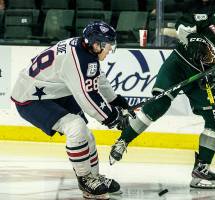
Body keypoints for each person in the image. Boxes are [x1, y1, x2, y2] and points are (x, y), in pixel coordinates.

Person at [109, 8, 215, 189]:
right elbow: (185, 19)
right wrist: (191, 39)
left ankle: (201, 169)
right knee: (158, 105)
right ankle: (123, 141)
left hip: (200, 80)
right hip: (178, 64)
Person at [11, 21, 131, 199]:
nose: (110, 49)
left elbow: (97, 77)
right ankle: (85, 180)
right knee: (76, 128)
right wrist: (112, 117)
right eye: (108, 45)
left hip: (51, 91)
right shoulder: (77, 59)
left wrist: (115, 100)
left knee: (84, 133)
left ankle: (94, 178)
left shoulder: (85, 50)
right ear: (96, 44)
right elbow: (87, 98)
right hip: (30, 97)